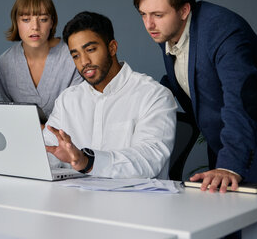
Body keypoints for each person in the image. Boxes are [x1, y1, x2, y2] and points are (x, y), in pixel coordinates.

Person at [133, 0, 257, 192]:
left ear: (184, 10)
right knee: (225, 213)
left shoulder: (222, 30)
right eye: (143, 14)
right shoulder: (167, 30)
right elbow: (187, 73)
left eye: (157, 15)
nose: (148, 24)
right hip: (223, 137)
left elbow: (242, 96)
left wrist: (230, 165)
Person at [43, 11, 177, 179]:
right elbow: (47, 150)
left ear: (112, 47)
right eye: (75, 55)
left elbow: (148, 159)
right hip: (75, 201)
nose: (84, 61)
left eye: (90, 49)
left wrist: (88, 161)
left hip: (134, 202)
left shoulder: (154, 95)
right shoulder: (68, 100)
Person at [0, 0, 82, 120]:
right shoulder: (2, 64)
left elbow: (79, 113)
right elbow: (2, 117)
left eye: (43, 19)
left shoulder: (72, 56)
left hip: (67, 139)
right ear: (16, 22)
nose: (35, 27)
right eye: (26, 19)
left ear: (52, 22)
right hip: (20, 139)